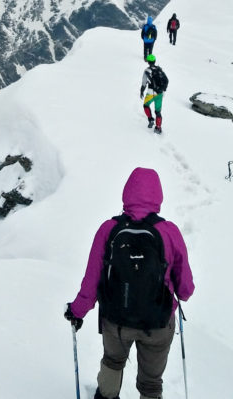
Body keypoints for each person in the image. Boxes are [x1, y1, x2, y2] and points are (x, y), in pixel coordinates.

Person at [64, 167, 195, 399]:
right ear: (158, 196)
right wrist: (179, 293)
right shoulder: (169, 232)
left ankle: (106, 395)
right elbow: (185, 289)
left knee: (112, 362)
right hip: (158, 322)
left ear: (127, 192)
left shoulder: (109, 229)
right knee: (151, 382)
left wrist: (77, 311)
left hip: (116, 320)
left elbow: (92, 278)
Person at [139, 54, 168, 133]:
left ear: (148, 62)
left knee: (146, 105)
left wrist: (141, 91)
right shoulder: (160, 69)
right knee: (158, 111)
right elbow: (166, 80)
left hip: (151, 93)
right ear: (155, 61)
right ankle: (158, 128)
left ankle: (150, 119)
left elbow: (144, 83)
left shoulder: (147, 71)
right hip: (160, 93)